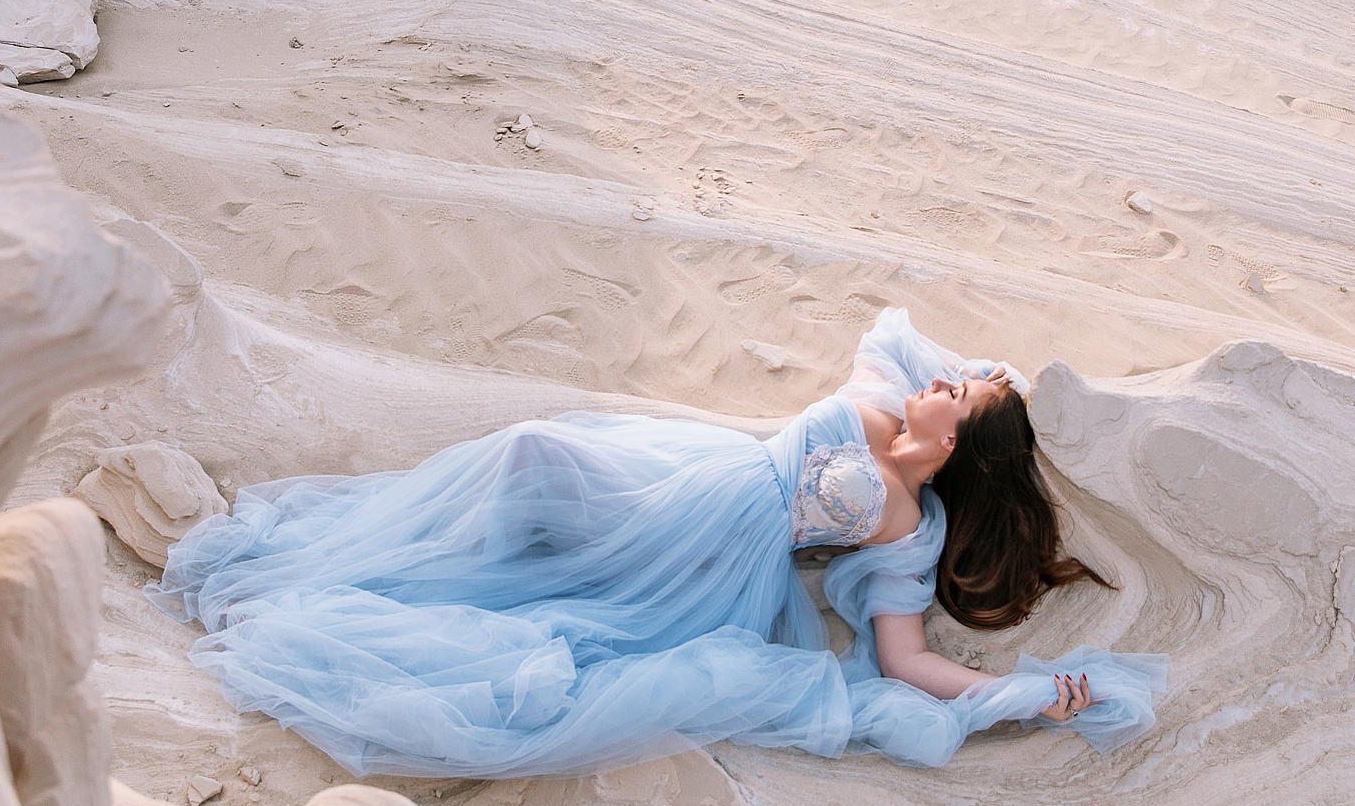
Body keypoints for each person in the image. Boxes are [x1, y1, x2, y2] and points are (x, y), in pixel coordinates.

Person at [150, 308, 1167, 778]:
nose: (946, 380)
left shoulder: (912, 528)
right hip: (684, 475)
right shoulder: (881, 393)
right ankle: (333, 566)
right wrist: (985, 383)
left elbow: (903, 657)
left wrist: (1023, 695)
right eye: (957, 378)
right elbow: (894, 330)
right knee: (530, 457)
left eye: (963, 395)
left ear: (963, 447)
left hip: (716, 561)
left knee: (536, 487)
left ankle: (328, 605)